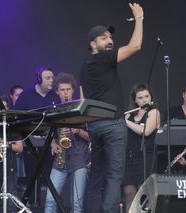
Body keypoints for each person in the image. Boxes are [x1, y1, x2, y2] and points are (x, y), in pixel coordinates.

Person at [78, 3, 143, 212]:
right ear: (93, 44)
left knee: (96, 174)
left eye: (110, 37)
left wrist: (88, 125)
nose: (110, 40)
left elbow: (82, 99)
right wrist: (139, 19)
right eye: (104, 37)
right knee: (115, 175)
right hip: (113, 124)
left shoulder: (85, 67)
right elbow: (135, 46)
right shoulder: (104, 58)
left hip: (95, 126)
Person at [44, 72, 90, 213]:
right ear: (57, 91)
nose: (66, 93)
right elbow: (47, 132)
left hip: (79, 159)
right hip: (60, 159)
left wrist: (77, 131)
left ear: (73, 90)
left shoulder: (82, 109)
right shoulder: (54, 110)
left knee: (77, 204)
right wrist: (52, 143)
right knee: (50, 201)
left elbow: (92, 137)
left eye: (68, 89)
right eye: (62, 90)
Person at [14, 66, 60, 206]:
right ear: (39, 79)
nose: (52, 80)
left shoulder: (55, 97)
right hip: (29, 144)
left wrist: (54, 141)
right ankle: (31, 207)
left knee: (47, 179)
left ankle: (47, 207)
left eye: (53, 78)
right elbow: (16, 118)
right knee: (31, 178)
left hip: (49, 144)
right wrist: (18, 140)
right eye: (48, 78)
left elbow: (56, 122)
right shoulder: (26, 95)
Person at [122, 83, 160, 212]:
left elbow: (146, 131)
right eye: (140, 97)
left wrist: (125, 121)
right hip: (130, 157)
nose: (144, 100)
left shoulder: (154, 112)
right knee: (129, 193)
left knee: (144, 195)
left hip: (146, 158)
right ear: (134, 100)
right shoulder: (129, 114)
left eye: (147, 96)